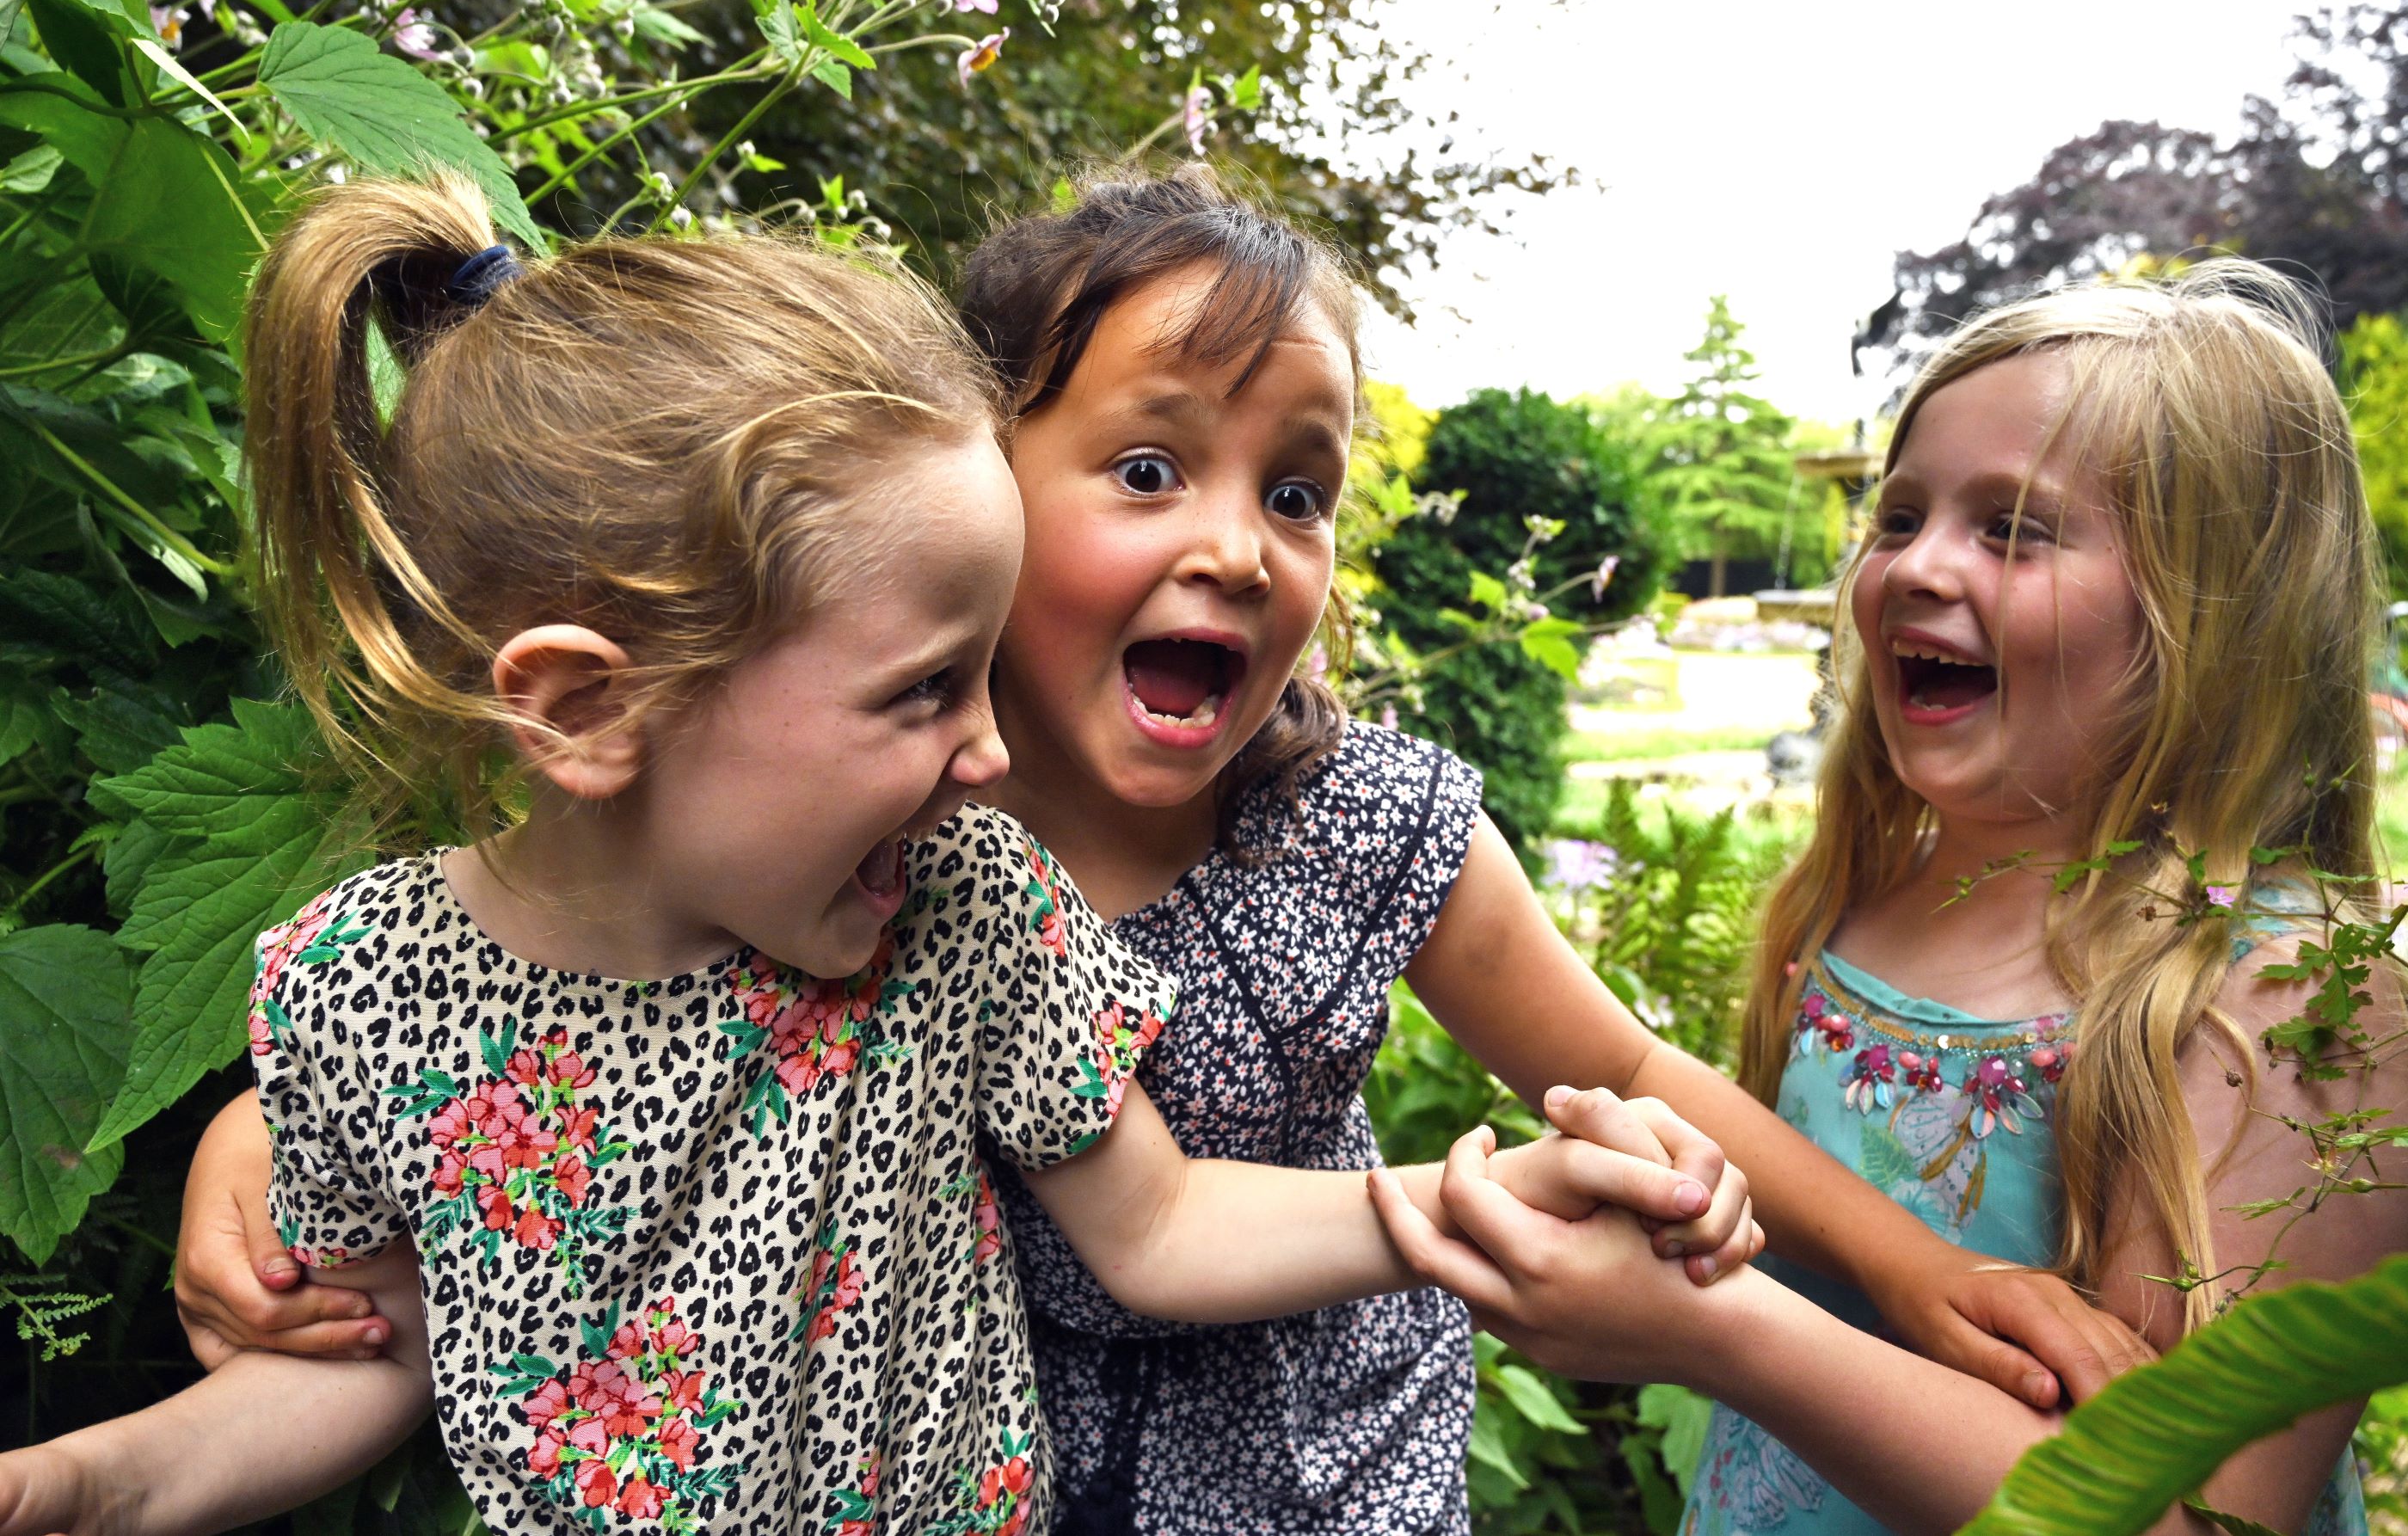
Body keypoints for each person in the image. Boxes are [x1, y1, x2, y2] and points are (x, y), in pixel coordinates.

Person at [175, 166, 2135, 1534]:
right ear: (958, 492)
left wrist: (1900, 1263)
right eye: (1145, 465)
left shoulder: (1341, 826)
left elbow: (1618, 1065)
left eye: (1298, 489)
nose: (1236, 537)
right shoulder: (860, 833)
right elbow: (564, 996)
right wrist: (256, 1139)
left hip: (1311, 1484)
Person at [1372, 259, 2408, 1535]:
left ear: (2218, 610)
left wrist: (1718, 1333)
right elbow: (1625, 1060)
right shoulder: (1897, 882)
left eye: (2012, 529)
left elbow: (2185, 1519)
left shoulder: (2286, 1001)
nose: (1917, 567)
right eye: (1901, 517)